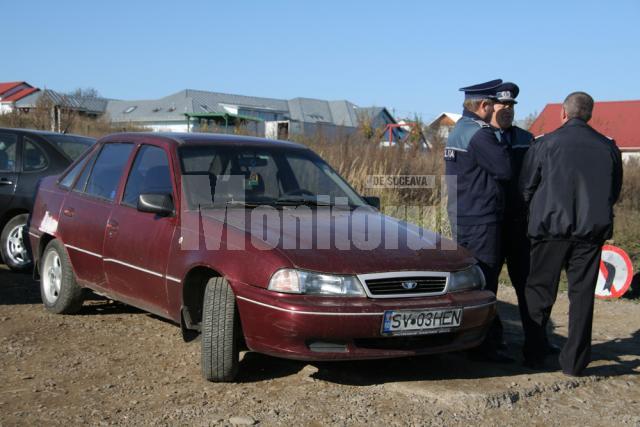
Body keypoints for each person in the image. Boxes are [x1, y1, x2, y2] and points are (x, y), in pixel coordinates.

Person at [520, 91, 623, 376]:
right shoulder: (608, 147)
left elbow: (527, 186)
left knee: (539, 291)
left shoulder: (545, 144)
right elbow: (613, 191)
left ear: (563, 113)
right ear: (590, 114)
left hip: (550, 229)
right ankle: (575, 362)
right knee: (582, 296)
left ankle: (535, 353)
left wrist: (534, 210)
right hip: (590, 232)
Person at [445, 79, 513, 363]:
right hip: (482, 218)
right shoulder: (480, 134)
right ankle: (484, 347)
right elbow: (505, 169)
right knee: (486, 283)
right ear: (484, 105)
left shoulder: (458, 130)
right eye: (493, 104)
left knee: (471, 280)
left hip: (462, 215)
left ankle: (469, 340)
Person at [490, 82, 560, 358]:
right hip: (491, 224)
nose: (507, 110)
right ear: (490, 106)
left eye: (511, 106)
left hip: (520, 224)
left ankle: (536, 339)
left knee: (529, 285)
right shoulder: (482, 138)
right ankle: (492, 340)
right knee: (488, 285)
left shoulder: (525, 139)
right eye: (502, 105)